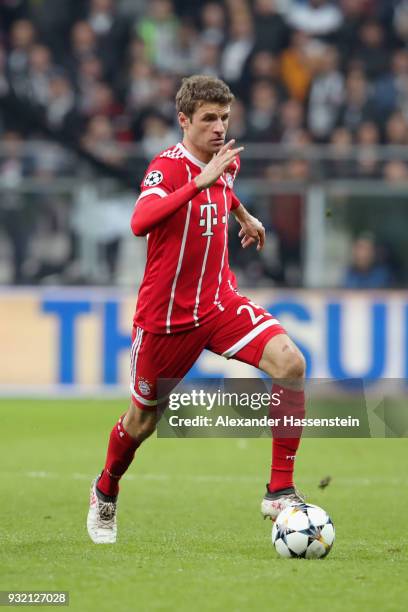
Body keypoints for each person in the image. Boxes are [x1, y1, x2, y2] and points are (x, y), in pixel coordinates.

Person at [87, 75, 306, 544]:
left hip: (219, 302)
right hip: (165, 320)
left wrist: (243, 215)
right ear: (183, 120)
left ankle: (280, 489)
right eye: (208, 119)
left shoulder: (227, 160)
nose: (218, 127)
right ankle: (105, 489)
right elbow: (139, 221)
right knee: (141, 422)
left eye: (224, 118)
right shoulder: (165, 168)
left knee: (290, 363)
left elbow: (223, 188)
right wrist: (199, 181)